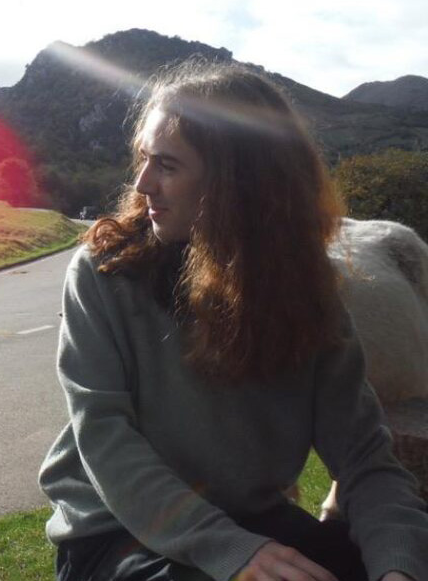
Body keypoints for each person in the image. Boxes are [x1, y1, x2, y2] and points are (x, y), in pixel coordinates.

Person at [38, 60, 428, 581]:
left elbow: (365, 460)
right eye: (144, 159)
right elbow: (104, 437)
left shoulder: (307, 292)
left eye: (168, 165)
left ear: (238, 184)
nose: (142, 183)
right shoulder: (104, 271)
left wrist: (397, 567)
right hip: (115, 533)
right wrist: (229, 550)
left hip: (255, 524)